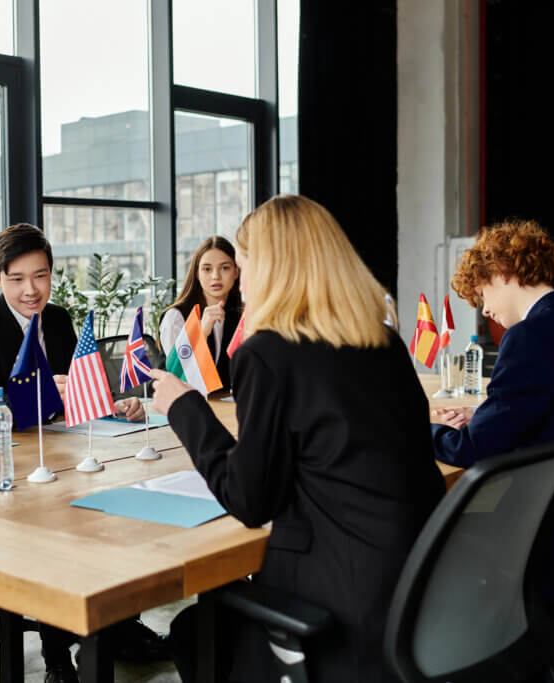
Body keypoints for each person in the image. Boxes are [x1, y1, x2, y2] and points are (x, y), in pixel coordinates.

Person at [151, 195, 445, 683]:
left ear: (270, 268)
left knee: (193, 631)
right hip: (419, 587)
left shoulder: (268, 354)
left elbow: (250, 500)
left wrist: (186, 408)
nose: (240, 278)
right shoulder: (383, 342)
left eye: (242, 264)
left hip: (338, 608)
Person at [0, 223, 167, 682]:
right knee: (55, 531)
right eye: (17, 279)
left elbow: (83, 384)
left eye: (41, 276)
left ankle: (113, 626)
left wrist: (116, 403)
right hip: (16, 459)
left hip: (70, 448)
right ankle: (57, 660)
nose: (32, 290)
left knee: (112, 511)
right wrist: (42, 392)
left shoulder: (58, 319)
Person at [431, 218, 554, 610]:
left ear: (502, 272)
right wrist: (484, 418)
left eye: (482, 293)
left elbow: (472, 452)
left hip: (550, 535)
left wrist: (428, 430)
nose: (485, 308)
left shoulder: (529, 336)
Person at [159, 236, 242, 390]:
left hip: (220, 405)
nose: (216, 276)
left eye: (225, 268)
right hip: (178, 404)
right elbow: (176, 374)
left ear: (236, 272)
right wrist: (201, 332)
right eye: (207, 269)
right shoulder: (176, 317)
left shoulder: (236, 314)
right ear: (197, 274)